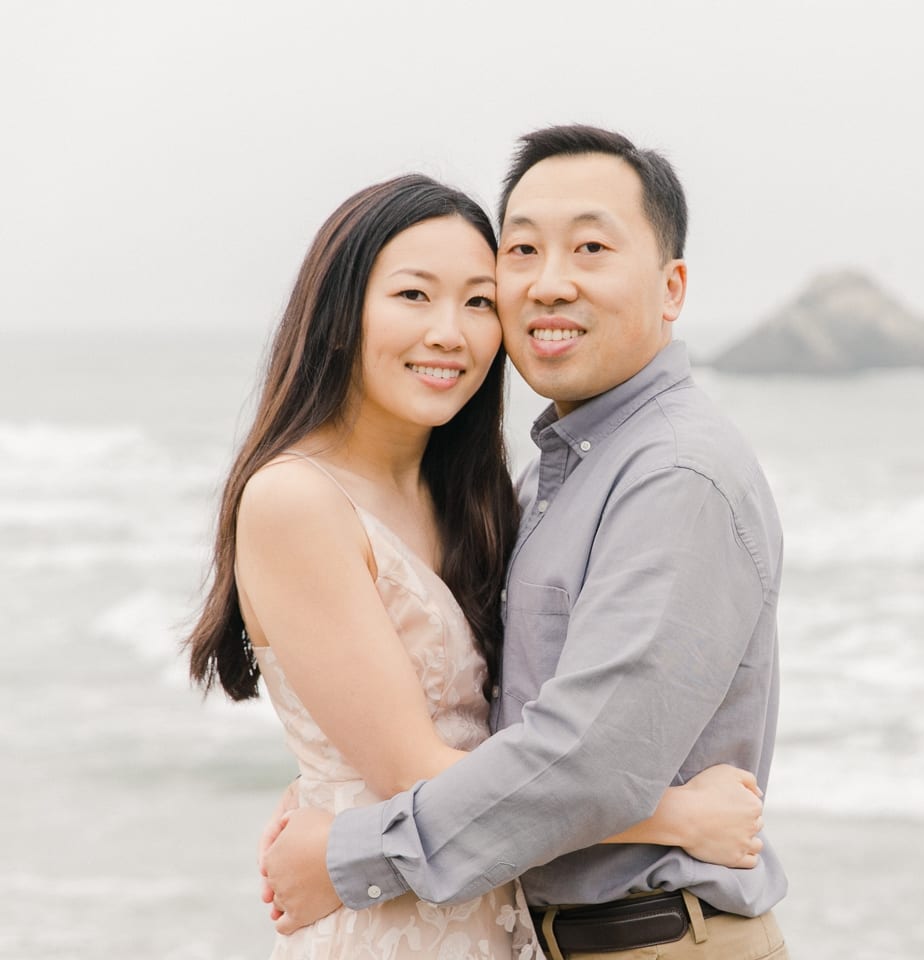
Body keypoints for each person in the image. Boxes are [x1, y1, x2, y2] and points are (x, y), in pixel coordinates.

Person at [186, 173, 766, 960]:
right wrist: (673, 815)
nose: (450, 334)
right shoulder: (295, 500)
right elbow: (411, 770)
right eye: (414, 297)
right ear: (337, 313)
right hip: (392, 925)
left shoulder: (480, 496)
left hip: (482, 908)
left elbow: (510, 726)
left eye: (478, 302)